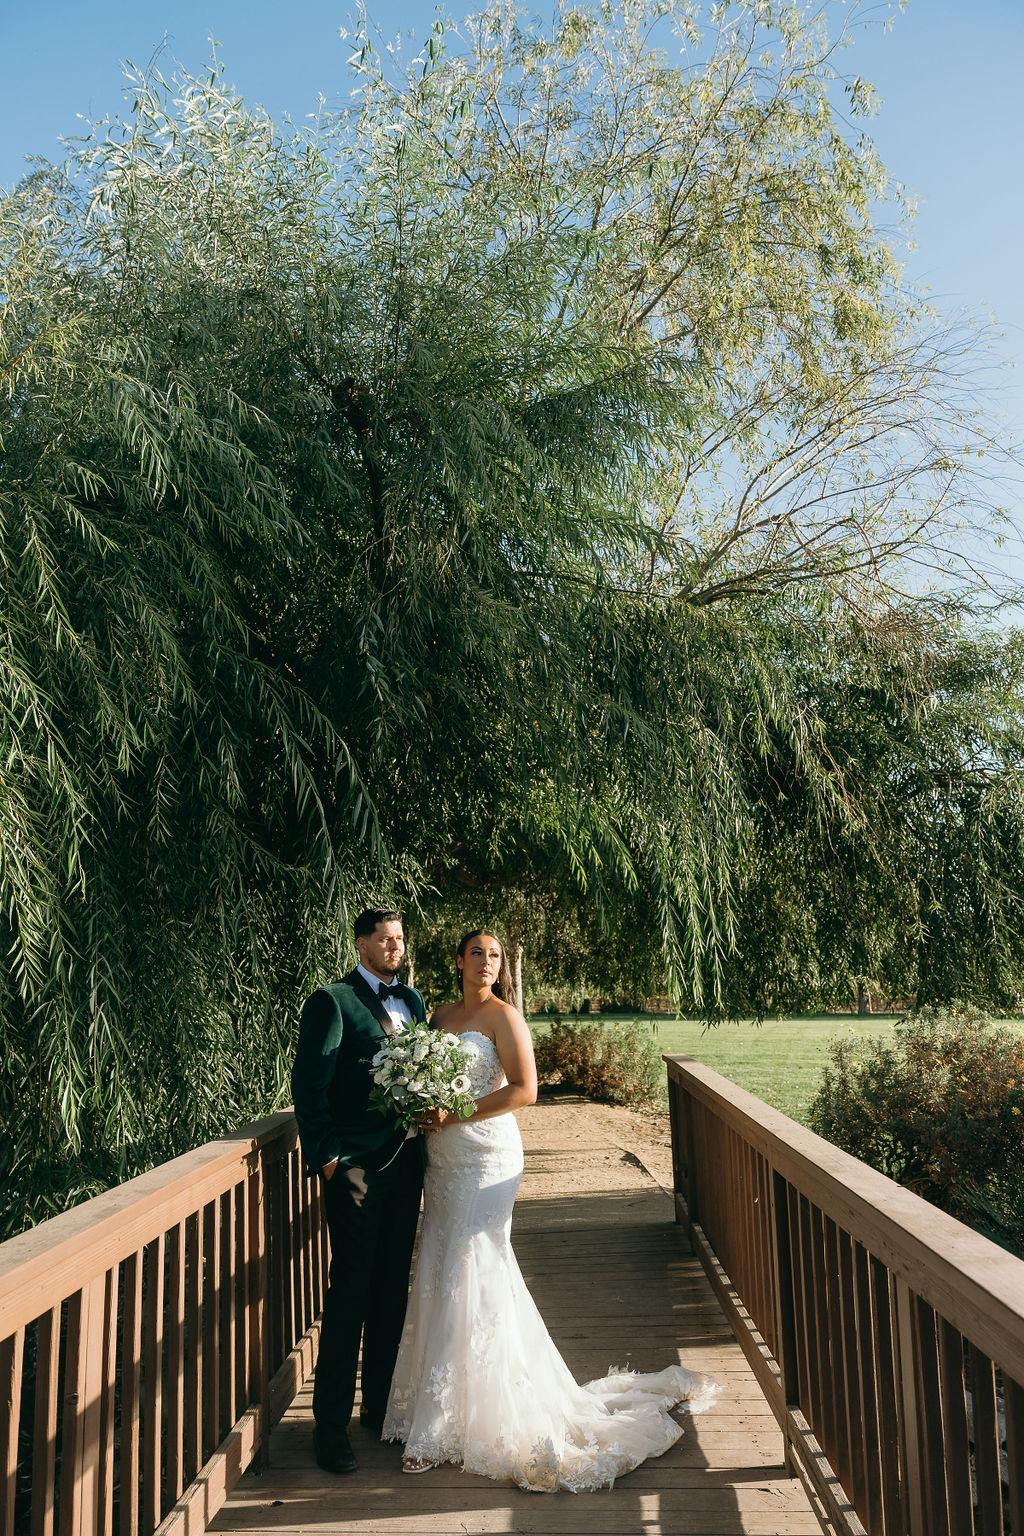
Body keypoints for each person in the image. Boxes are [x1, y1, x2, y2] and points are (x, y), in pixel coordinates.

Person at [382, 928, 717, 1492]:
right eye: (476, 953)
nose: (486, 963)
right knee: (440, 1259)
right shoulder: (436, 1016)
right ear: (457, 960)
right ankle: (440, 1407)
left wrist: (455, 1111)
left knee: (474, 1260)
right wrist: (420, 1104)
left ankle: (440, 1430)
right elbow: (424, 1081)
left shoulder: (504, 1018)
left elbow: (525, 1090)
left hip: (486, 1154)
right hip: (442, 1157)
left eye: (495, 956)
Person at [291, 908, 427, 1476]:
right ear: (361, 945)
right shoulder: (333, 1001)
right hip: (355, 1171)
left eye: (399, 940)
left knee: (393, 1288)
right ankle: (330, 1430)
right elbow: (310, 1082)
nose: (394, 948)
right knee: (350, 1292)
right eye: (384, 940)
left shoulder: (414, 1001)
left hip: (408, 1164)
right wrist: (327, 1159)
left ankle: (377, 1410)